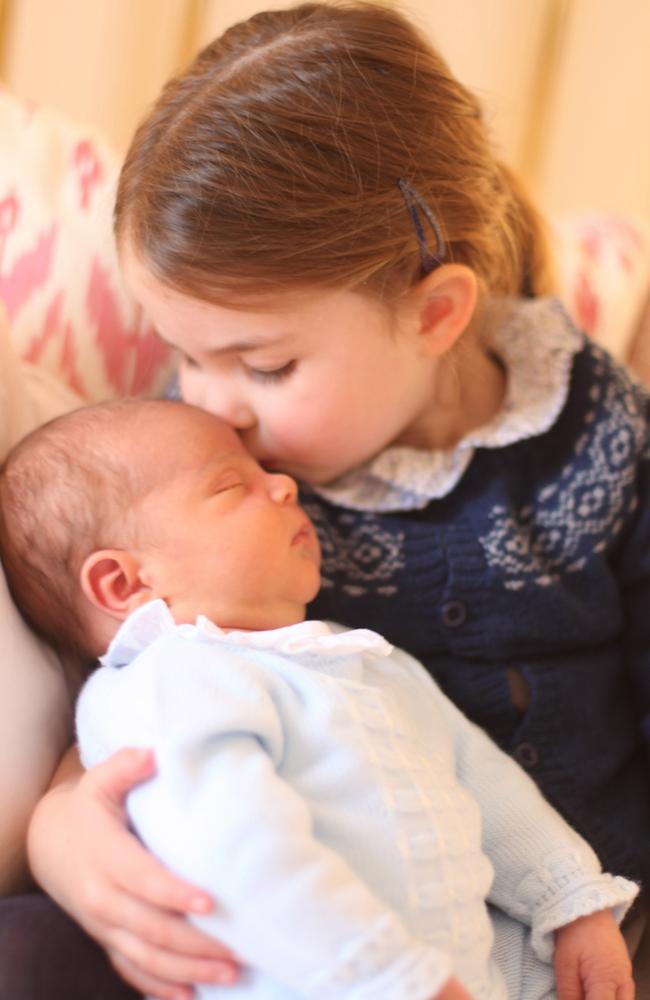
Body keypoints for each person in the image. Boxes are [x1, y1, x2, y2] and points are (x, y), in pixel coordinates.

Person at [3, 1, 650, 997]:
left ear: (434, 313)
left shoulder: (600, 438)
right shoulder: (199, 464)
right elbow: (139, 664)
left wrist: (586, 903)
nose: (212, 405)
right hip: (307, 920)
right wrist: (57, 828)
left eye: (261, 365)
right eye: (182, 354)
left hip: (578, 933)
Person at [0, 397, 638, 1000]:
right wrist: (391, 977)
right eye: (231, 486)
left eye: (267, 473)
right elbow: (234, 849)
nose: (284, 486)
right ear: (126, 581)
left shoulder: (363, 661)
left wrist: (568, 899)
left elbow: (483, 782)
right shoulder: (172, 681)